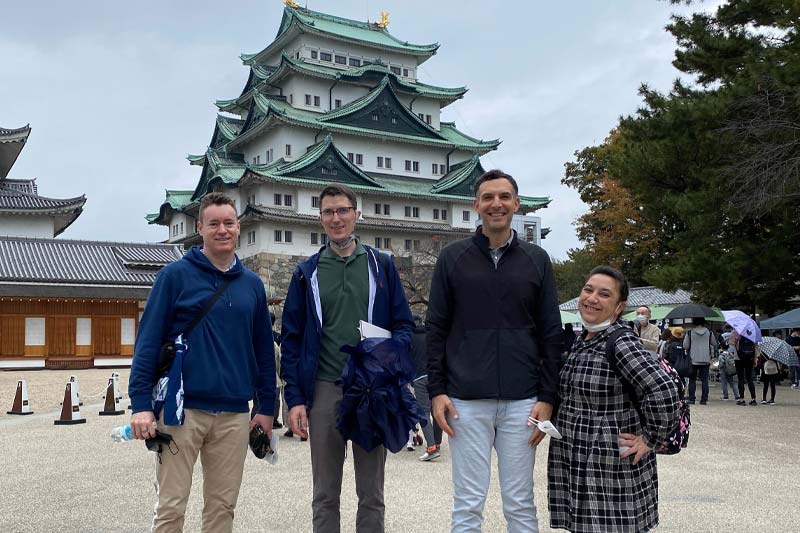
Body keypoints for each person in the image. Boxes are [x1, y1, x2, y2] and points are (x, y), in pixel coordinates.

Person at [128, 192, 275, 532]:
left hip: (234, 412)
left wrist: (266, 408)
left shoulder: (251, 285)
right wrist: (140, 405)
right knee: (171, 506)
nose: (222, 230)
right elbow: (147, 343)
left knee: (222, 508)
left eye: (228, 222)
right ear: (200, 228)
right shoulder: (174, 276)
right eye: (214, 224)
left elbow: (264, 352)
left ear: (239, 227)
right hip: (182, 409)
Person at [426, 169, 563, 532]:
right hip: (466, 400)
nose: (496, 204)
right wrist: (437, 390)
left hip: (523, 400)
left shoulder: (537, 260)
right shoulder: (452, 258)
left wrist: (548, 395)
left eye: (504, 197)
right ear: (476, 205)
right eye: (488, 197)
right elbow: (436, 328)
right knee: (468, 504)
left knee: (520, 503)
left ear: (516, 204)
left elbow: (551, 332)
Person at [280, 183, 414, 533]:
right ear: (320, 218)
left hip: (370, 389)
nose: (336, 218)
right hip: (324, 387)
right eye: (328, 212)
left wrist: (385, 356)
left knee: (371, 491)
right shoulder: (306, 273)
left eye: (342, 210)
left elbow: (404, 325)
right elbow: (292, 339)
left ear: (357, 213)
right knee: (325, 492)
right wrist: (294, 398)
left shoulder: (380, 267)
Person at [548, 266, 680, 533]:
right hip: (579, 456)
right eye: (588, 289)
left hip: (608, 463)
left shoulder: (619, 342)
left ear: (619, 307)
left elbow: (664, 390)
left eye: (604, 294)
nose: (592, 298)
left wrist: (650, 439)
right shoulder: (584, 339)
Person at [410, 314, 442, 461]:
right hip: (434, 376)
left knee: (424, 413)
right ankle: (437, 442)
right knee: (437, 410)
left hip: (419, 378)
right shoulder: (430, 335)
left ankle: (431, 447)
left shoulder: (410, 338)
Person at [683, 318, 717, 405]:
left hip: (693, 359)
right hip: (705, 359)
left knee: (692, 380)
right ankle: (704, 399)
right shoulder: (709, 333)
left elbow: (685, 346)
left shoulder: (690, 333)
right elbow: (714, 343)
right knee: (705, 380)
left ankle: (692, 399)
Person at [732, 331, 759, 405]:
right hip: (750, 358)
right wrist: (755, 358)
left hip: (738, 358)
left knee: (740, 378)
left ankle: (742, 399)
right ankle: (753, 399)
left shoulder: (736, 332)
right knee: (749, 378)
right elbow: (755, 346)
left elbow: (731, 343)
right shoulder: (753, 332)